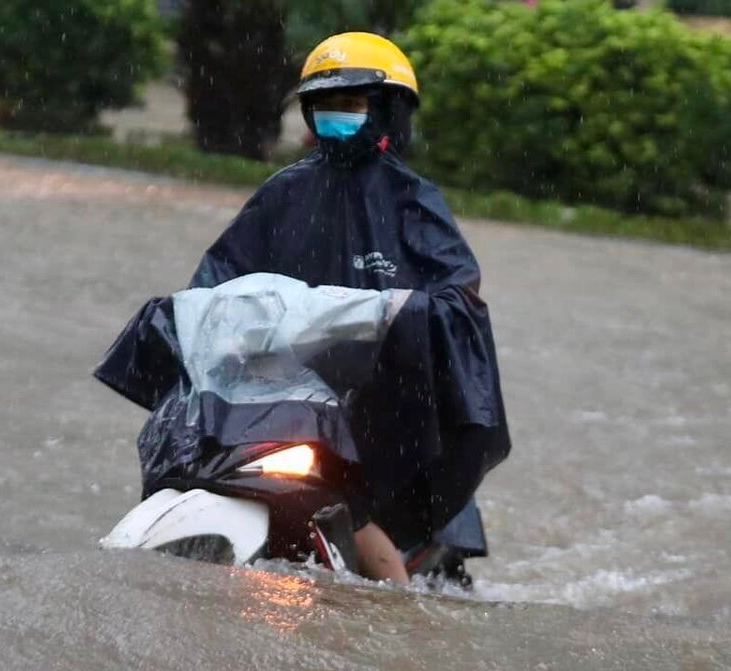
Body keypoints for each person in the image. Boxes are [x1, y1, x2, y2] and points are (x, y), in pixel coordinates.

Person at [188, 32, 511, 583]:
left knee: (350, 511)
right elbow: (218, 278)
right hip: (283, 391)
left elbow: (457, 297)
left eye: (353, 105)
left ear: (387, 112)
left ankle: (398, 609)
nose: (338, 115)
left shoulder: (414, 202)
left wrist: (399, 315)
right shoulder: (281, 194)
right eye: (326, 105)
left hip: (379, 401)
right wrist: (196, 321)